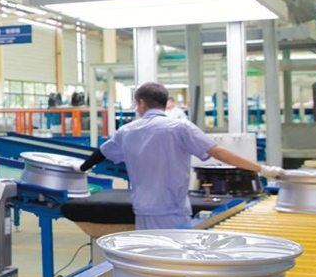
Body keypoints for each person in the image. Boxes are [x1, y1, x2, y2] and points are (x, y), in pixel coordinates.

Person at [80, 82, 283, 230]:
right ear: (165, 103)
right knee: (174, 261)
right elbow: (218, 152)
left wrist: (81, 168)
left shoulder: (127, 131)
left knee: (149, 258)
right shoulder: (180, 127)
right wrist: (263, 169)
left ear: (141, 103)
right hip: (172, 210)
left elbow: (101, 153)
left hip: (143, 209)